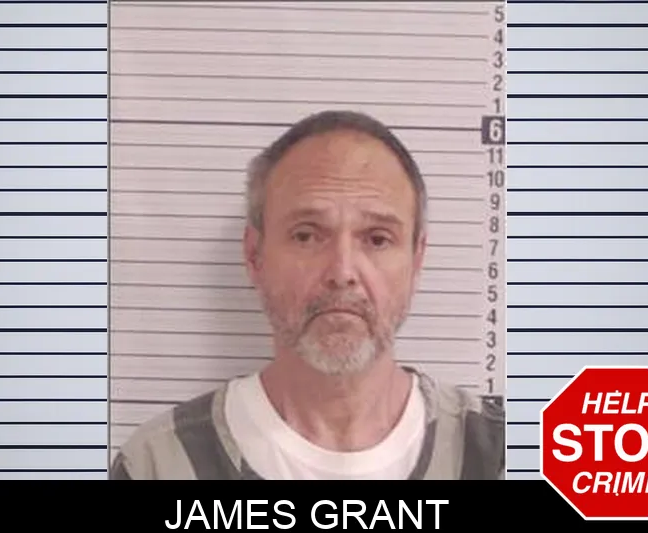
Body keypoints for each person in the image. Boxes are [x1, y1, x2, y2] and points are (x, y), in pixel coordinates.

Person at [110, 110, 505, 480]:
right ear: (254, 255)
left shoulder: (501, 456)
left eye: (377, 239)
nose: (342, 272)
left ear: (416, 260)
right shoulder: (159, 465)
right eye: (306, 236)